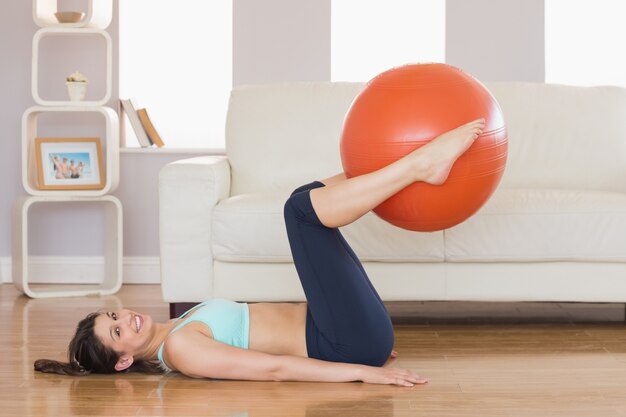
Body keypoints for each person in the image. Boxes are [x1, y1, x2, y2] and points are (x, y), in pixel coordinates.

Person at [34, 118, 485, 386]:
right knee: (300, 211)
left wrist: (361, 336)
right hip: (347, 344)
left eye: (112, 316)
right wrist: (363, 371)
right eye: (116, 333)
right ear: (125, 360)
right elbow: (273, 370)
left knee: (308, 197)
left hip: (350, 334)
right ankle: (418, 165)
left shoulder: (180, 325)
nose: (123, 320)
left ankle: (400, 169)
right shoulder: (183, 350)